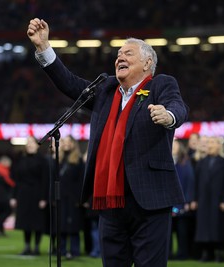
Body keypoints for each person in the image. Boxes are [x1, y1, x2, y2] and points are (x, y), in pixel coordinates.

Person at [27, 18, 189, 267]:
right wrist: (43, 47)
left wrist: (169, 116)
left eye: (127, 53)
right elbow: (69, 83)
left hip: (149, 199)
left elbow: (179, 107)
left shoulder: (161, 84)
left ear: (147, 62)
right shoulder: (105, 89)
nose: (119, 57)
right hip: (110, 201)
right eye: (118, 54)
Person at [191, 136, 224, 262]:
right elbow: (195, 182)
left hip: (217, 200)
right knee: (204, 228)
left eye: (212, 142)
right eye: (208, 143)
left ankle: (218, 254)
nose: (210, 145)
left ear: (219, 145)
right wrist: (194, 199)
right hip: (203, 199)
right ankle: (205, 254)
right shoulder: (201, 162)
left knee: (217, 227)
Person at [10, 136, 49, 256]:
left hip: (37, 194)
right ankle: (27, 246)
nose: (30, 145)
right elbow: (17, 180)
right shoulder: (21, 159)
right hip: (23, 194)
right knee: (25, 221)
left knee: (37, 221)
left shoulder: (42, 160)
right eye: (28, 143)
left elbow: (45, 180)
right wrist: (14, 196)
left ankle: (36, 247)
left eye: (32, 143)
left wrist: (44, 198)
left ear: (37, 145)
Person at [56, 135, 85, 259]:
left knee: (74, 226)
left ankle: (75, 251)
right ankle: (61, 251)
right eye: (64, 142)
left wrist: (80, 198)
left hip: (73, 199)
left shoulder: (78, 160)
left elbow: (81, 181)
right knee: (61, 225)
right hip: (61, 198)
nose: (66, 144)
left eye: (69, 142)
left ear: (73, 144)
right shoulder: (58, 159)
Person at [170, 139, 195, 260]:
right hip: (168, 203)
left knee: (182, 231)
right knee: (167, 232)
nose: (173, 147)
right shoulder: (166, 161)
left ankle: (182, 253)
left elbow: (190, 183)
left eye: (175, 145)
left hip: (182, 203)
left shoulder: (185, 163)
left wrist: (188, 201)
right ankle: (168, 253)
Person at [0, 155, 15, 237]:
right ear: (3, 162)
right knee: (8, 211)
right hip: (2, 196)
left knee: (0, 213)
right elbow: (9, 182)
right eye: (9, 163)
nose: (10, 165)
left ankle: (1, 231)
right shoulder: (2, 171)